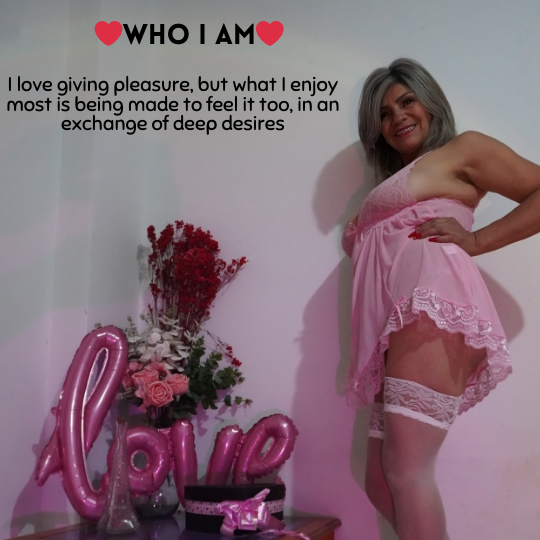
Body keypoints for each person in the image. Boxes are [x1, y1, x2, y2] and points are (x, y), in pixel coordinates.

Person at [342, 58, 540, 540]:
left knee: (407, 471)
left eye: (406, 101)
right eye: (384, 113)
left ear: (430, 103)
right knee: (379, 479)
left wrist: (477, 241)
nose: (397, 117)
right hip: (396, 323)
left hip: (433, 305)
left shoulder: (463, 148)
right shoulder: (403, 176)